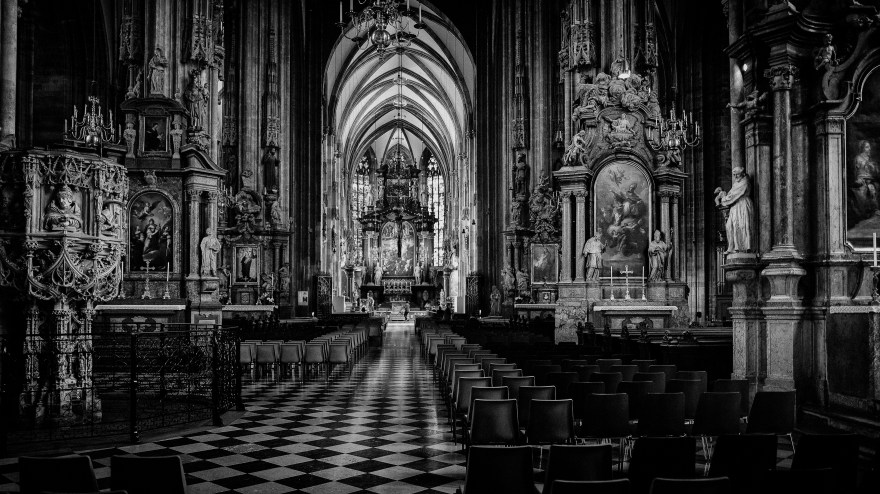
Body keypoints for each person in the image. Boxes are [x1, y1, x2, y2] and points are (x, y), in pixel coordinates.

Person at [717, 167, 755, 254]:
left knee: (741, 225)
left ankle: (741, 248)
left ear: (742, 173)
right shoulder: (736, 183)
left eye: (737, 174)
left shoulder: (744, 182)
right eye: (734, 175)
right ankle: (732, 247)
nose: (735, 176)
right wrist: (725, 196)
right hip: (735, 206)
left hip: (742, 205)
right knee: (729, 226)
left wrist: (724, 198)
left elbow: (734, 195)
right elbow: (731, 194)